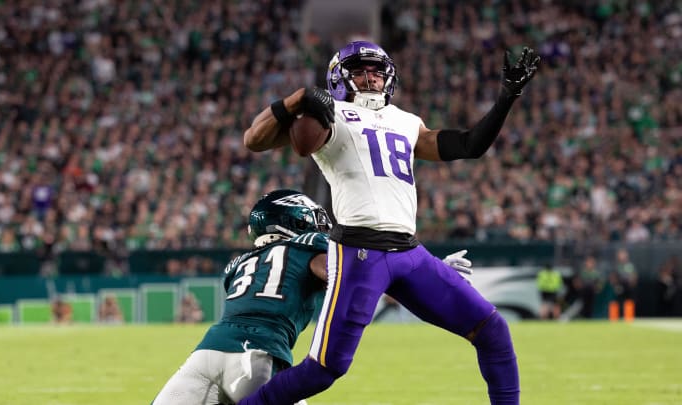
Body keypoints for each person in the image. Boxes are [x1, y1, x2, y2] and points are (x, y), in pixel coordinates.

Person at [240, 41, 539, 405]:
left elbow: (469, 145)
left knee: (493, 330)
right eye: (361, 71)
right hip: (357, 251)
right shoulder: (330, 113)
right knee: (324, 369)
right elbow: (254, 140)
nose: (371, 78)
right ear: (339, 78)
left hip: (409, 253)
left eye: (377, 71)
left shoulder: (406, 121)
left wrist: (507, 97)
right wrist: (296, 101)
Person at [151, 189, 332, 405]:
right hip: (257, 352)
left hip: (207, 351)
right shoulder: (309, 246)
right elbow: (340, 275)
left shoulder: (239, 264)